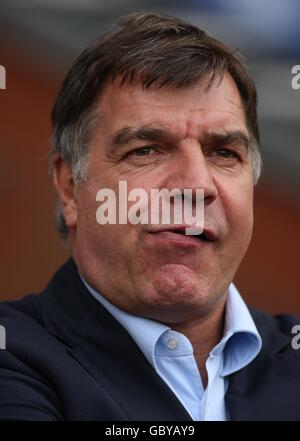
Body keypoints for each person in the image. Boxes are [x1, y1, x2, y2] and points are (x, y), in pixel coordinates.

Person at [0, 12, 299, 422]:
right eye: (146, 150)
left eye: (224, 153)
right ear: (70, 187)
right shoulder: (12, 359)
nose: (196, 186)